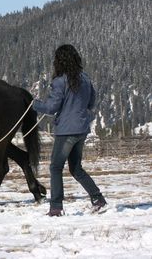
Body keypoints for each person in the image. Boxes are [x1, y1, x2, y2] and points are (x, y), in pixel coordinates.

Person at [33, 44, 107, 217]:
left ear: (59, 61)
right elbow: (91, 103)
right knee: (75, 168)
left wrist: (33, 104)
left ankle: (56, 207)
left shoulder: (60, 81)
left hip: (66, 131)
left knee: (55, 167)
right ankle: (98, 199)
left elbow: (51, 108)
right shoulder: (86, 78)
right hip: (81, 129)